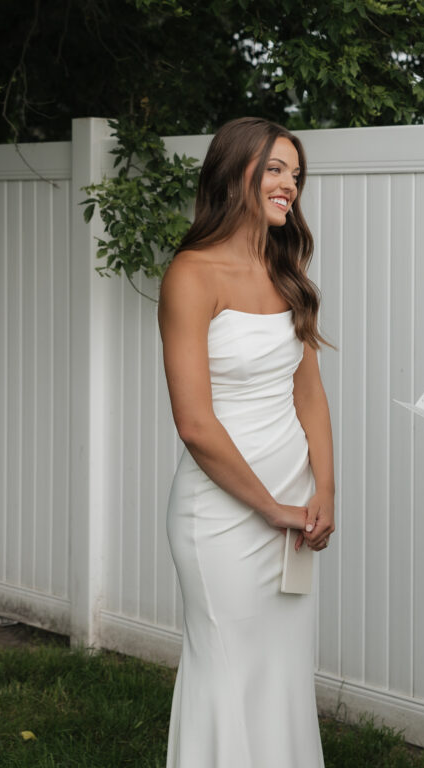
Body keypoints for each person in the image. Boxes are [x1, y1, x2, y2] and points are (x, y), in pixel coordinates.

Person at [159, 117, 335, 768]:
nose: (290, 184)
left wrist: (324, 490)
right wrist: (272, 507)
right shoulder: (190, 273)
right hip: (222, 519)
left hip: (293, 512)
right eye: (275, 169)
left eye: (295, 172)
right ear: (235, 174)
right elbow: (195, 423)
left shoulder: (284, 268)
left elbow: (308, 392)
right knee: (227, 674)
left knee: (281, 676)